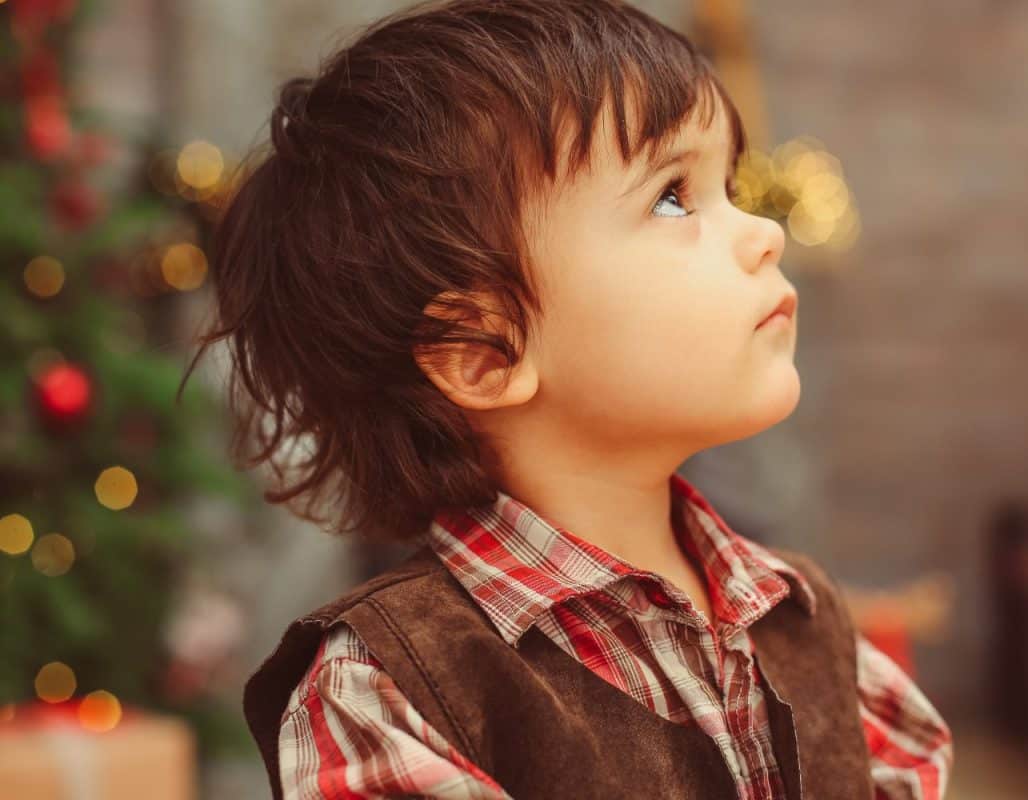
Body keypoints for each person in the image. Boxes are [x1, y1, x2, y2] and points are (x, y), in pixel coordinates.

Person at [184, 0, 954, 797]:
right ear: (486, 352)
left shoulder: (806, 621)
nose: (764, 233)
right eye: (672, 197)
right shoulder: (389, 689)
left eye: (728, 185)